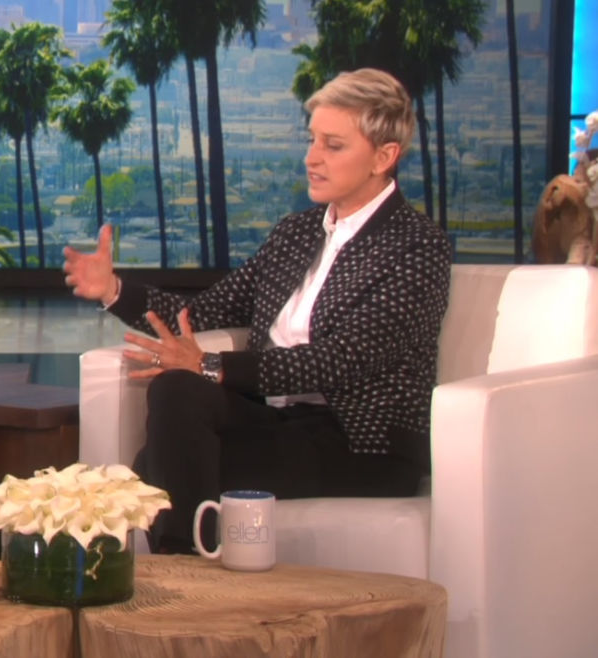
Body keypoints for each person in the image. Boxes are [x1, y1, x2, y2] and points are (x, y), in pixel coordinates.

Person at [63, 68, 451, 554]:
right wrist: (115, 290)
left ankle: (179, 570)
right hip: (279, 421)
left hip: (362, 440)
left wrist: (211, 365)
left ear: (384, 156)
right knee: (176, 389)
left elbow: (345, 358)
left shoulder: (417, 246)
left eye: (333, 145)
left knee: (158, 464)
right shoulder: (296, 233)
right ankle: (186, 569)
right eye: (312, 140)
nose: (312, 158)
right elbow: (201, 313)